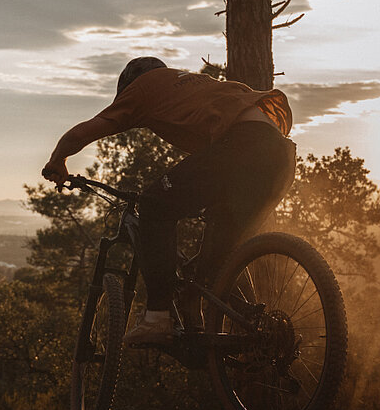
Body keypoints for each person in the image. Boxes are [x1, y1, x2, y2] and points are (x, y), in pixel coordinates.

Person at [42, 56, 296, 346]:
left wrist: (57, 160)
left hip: (242, 146)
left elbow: (87, 130)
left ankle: (157, 317)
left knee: (153, 205)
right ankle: (252, 331)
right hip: (280, 158)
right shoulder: (196, 87)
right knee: (216, 263)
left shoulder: (143, 87)